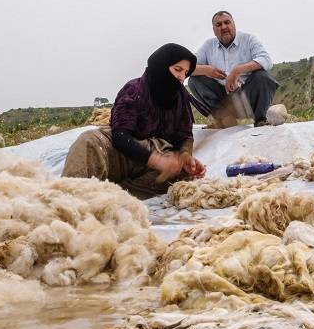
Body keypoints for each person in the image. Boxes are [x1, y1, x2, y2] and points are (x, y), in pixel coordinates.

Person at [62, 43, 206, 198]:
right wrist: (155, 160)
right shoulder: (134, 89)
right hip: (123, 153)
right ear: (161, 66)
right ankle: (71, 198)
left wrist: (185, 157)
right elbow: (120, 135)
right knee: (89, 141)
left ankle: (120, 195)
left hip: (154, 161)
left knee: (181, 174)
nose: (181, 77)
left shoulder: (181, 96)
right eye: (177, 70)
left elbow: (184, 135)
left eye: (185, 73)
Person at [188, 11, 279, 127]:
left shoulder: (249, 39)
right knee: (194, 81)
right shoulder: (208, 46)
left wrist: (237, 70)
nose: (224, 27)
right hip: (223, 103)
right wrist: (207, 70)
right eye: (219, 24)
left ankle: (260, 120)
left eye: (227, 22)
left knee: (263, 76)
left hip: (247, 98)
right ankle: (224, 120)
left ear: (234, 24)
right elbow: (188, 67)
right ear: (214, 30)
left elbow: (266, 60)